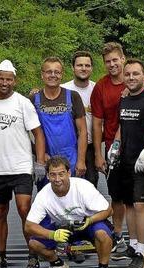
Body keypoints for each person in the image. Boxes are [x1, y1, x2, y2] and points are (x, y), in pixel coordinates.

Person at [0, 60, 46, 268]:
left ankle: (33, 255)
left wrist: (40, 163)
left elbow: (38, 133)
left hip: (21, 166)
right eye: (1, 78)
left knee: (25, 209)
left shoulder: (23, 103)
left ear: (14, 81)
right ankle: (1, 254)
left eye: (8, 79)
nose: (4, 82)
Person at [91, 42, 144, 258]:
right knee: (120, 196)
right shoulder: (102, 87)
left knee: (139, 202)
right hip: (116, 147)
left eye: (115, 60)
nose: (112, 65)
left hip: (141, 149)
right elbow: (98, 121)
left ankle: (141, 245)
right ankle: (122, 236)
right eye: (107, 61)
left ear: (122, 58)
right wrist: (103, 152)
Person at [24, 156, 114, 268]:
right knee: (34, 243)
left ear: (69, 173)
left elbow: (108, 210)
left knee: (103, 234)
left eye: (61, 174)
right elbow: (29, 226)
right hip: (62, 228)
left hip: (87, 224)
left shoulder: (83, 187)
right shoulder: (43, 195)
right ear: (48, 176)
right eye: (53, 175)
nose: (57, 179)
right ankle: (58, 264)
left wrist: (90, 220)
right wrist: (52, 235)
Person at [109, 59, 144, 268]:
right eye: (127, 74)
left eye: (135, 74)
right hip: (125, 159)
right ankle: (132, 245)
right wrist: (115, 144)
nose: (131, 78)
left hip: (143, 161)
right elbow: (122, 125)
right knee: (128, 203)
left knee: (140, 205)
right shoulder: (124, 99)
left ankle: (142, 250)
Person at [30, 57, 87, 189]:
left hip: (71, 159)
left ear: (62, 75)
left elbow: (82, 131)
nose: (53, 75)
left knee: (73, 200)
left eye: (57, 72)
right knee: (48, 201)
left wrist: (81, 160)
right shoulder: (33, 99)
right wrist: (39, 154)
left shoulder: (73, 96)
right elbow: (23, 132)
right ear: (42, 74)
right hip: (46, 159)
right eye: (49, 72)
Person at [61, 51, 97, 186]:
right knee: (66, 183)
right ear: (72, 67)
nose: (83, 68)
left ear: (92, 68)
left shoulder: (97, 89)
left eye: (87, 65)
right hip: (66, 145)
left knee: (90, 184)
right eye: (79, 65)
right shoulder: (63, 89)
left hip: (90, 145)